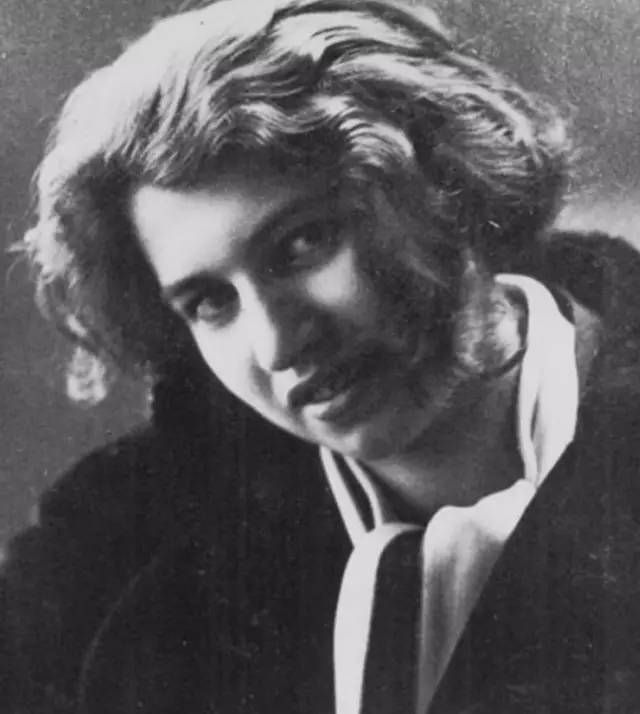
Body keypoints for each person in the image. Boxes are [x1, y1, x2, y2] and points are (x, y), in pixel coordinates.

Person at [4, 0, 640, 711]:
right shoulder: (105, 557)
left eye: (302, 244)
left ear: (446, 186)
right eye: (210, 302)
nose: (277, 343)